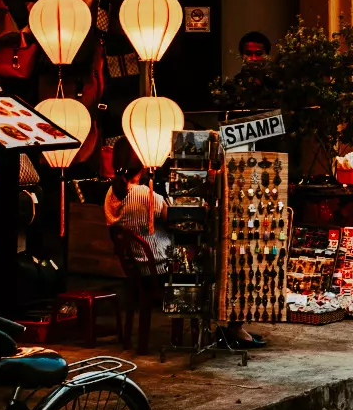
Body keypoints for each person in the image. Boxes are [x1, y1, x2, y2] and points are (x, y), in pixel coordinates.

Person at [106, 140, 263, 351]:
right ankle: (230, 326)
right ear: (142, 162)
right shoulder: (143, 194)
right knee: (223, 261)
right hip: (161, 268)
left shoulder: (111, 194)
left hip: (139, 269)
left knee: (207, 256)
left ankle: (215, 327)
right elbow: (175, 217)